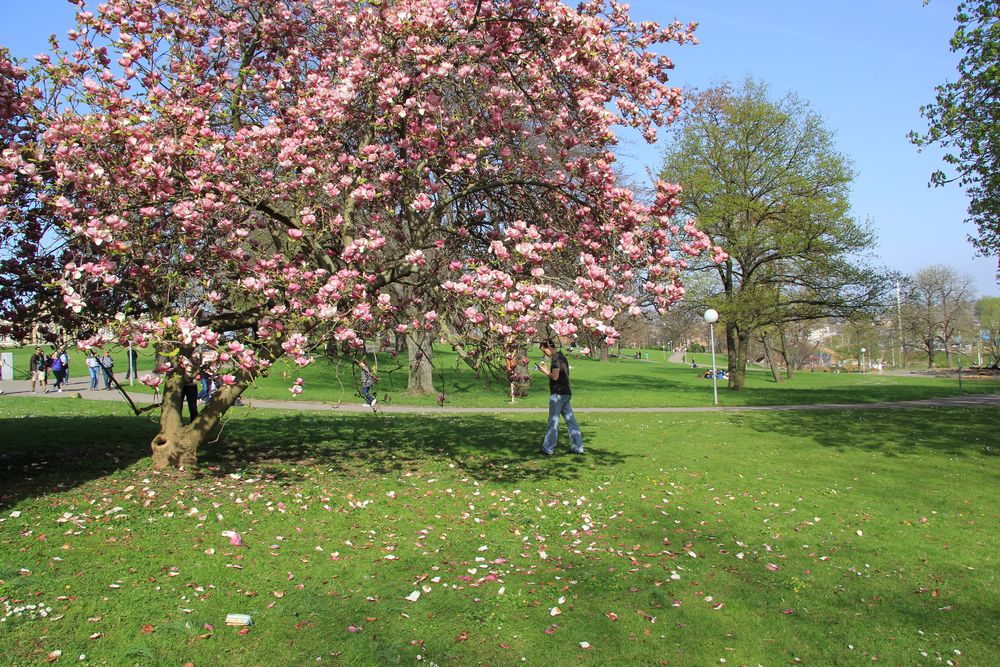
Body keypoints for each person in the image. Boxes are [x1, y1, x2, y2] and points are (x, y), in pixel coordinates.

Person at [537, 339, 584, 456]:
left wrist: (544, 371)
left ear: (549, 347)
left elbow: (554, 377)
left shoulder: (556, 359)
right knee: (571, 421)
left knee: (553, 421)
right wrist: (549, 371)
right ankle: (578, 447)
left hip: (558, 394)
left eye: (544, 350)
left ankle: (548, 449)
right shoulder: (562, 357)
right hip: (566, 393)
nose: (545, 353)